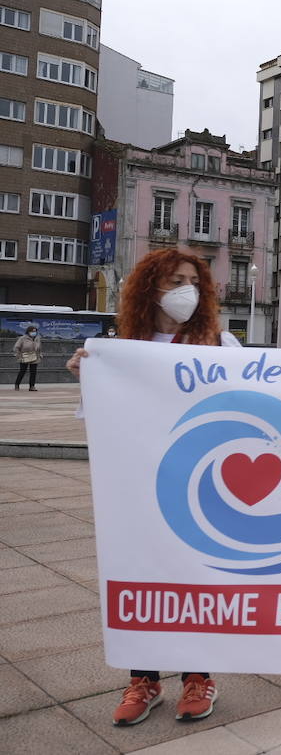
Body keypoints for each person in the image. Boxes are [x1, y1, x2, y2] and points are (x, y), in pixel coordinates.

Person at [66, 247, 239, 727]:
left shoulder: (221, 346)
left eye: (192, 280)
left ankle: (197, 677)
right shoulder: (122, 350)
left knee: (196, 578)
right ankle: (143, 679)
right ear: (148, 289)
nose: (185, 289)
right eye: (172, 280)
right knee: (143, 575)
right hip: (139, 491)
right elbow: (102, 425)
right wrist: (90, 377)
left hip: (201, 487)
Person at [13, 326, 41, 391]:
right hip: (24, 356)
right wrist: (19, 356)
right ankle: (17, 384)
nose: (34, 332)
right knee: (22, 371)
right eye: (32, 331)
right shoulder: (22, 338)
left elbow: (39, 348)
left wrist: (40, 355)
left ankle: (32, 386)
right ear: (28, 331)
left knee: (33, 372)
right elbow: (16, 347)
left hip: (34, 357)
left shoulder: (37, 338)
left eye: (35, 331)